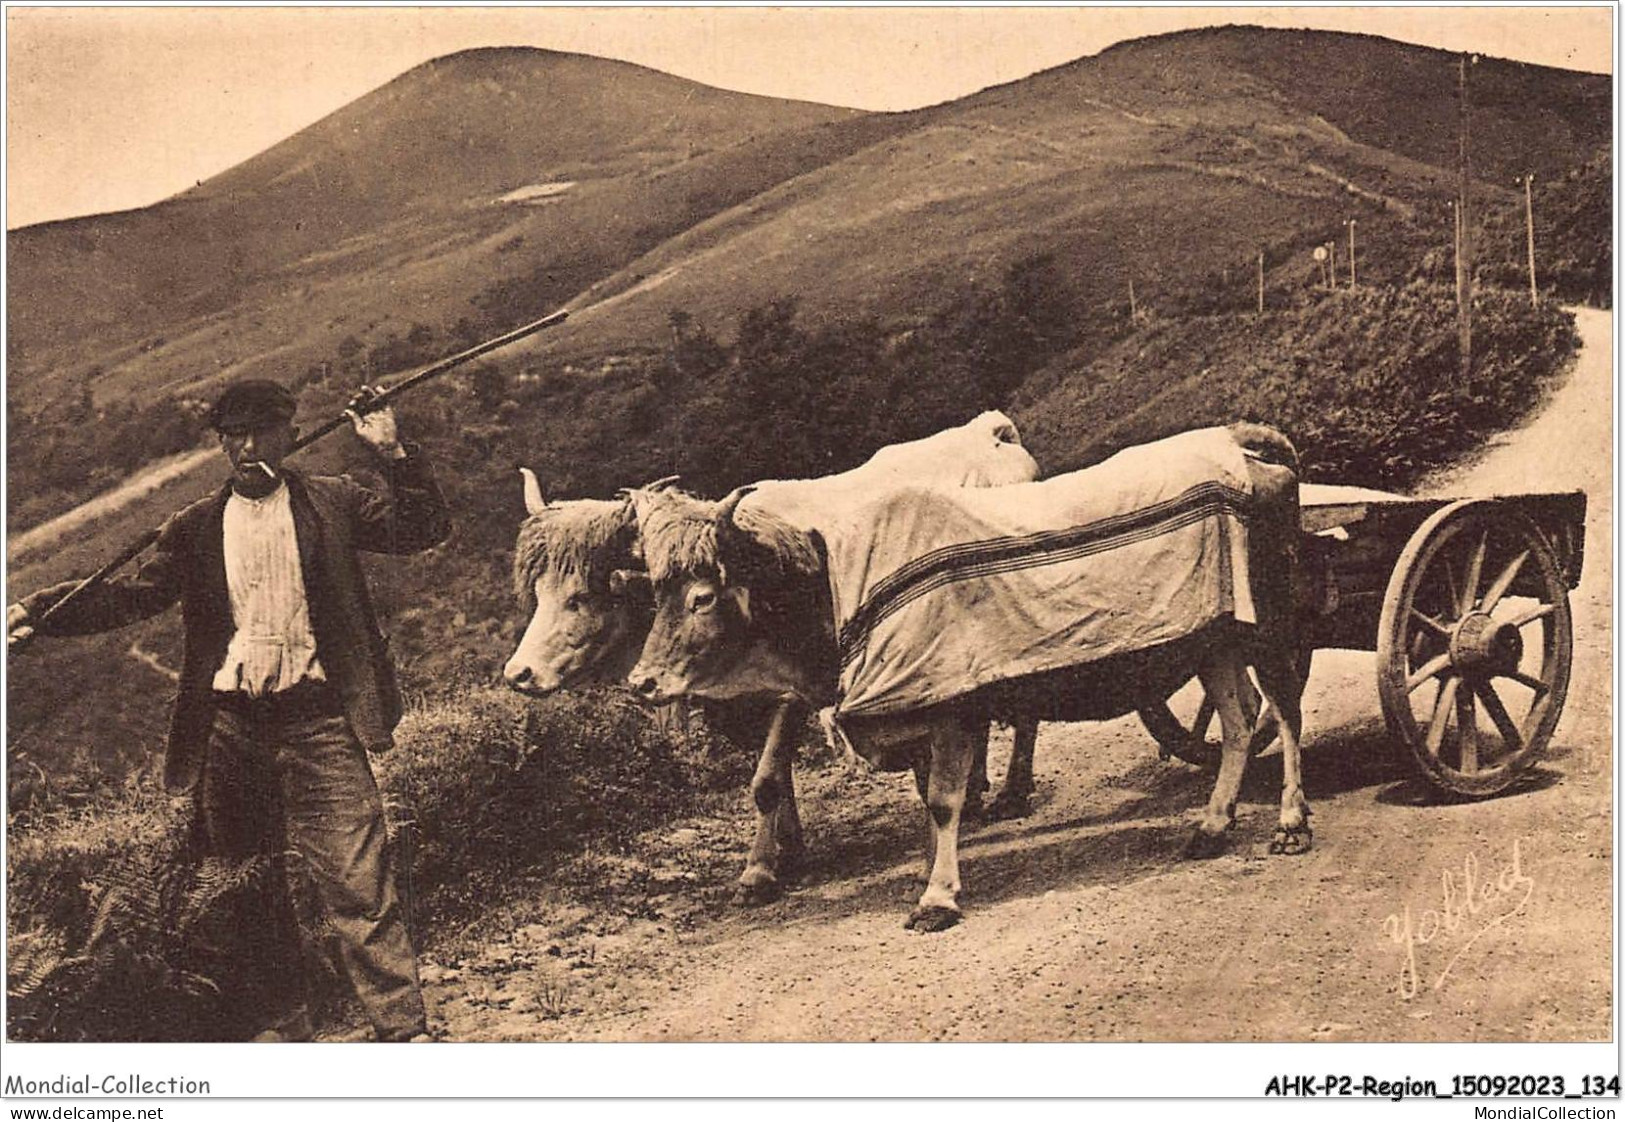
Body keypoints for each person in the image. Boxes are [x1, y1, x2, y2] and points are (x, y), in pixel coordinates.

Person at [8, 379, 450, 1042]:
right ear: (220, 443)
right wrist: (39, 613)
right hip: (231, 729)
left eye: (262, 433)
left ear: (286, 432)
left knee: (357, 877)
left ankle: (402, 1028)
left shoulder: (332, 502)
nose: (248, 448)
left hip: (320, 722)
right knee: (242, 882)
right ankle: (283, 1023)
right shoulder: (196, 526)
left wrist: (392, 452)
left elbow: (422, 529)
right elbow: (131, 594)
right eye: (233, 436)